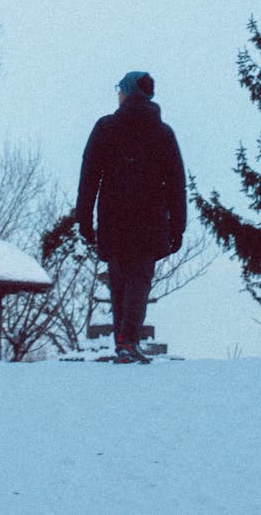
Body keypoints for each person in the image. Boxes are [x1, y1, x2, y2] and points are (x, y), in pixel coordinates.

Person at [76, 71, 187, 363]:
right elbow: (176, 183)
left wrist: (84, 219)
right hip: (150, 220)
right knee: (139, 279)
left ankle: (123, 342)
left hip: (113, 218)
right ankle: (129, 341)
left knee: (119, 279)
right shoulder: (163, 133)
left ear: (125, 93)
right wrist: (178, 226)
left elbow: (89, 177)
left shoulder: (105, 128)